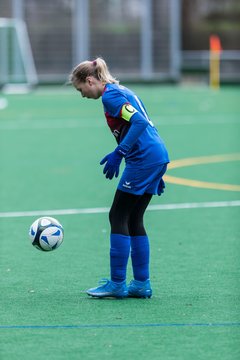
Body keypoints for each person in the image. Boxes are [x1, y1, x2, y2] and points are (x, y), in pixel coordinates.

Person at [69, 57, 169, 299]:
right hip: (154, 156)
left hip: (143, 159)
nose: (82, 95)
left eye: (81, 89)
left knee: (118, 215)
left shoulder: (110, 96)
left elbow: (139, 121)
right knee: (134, 218)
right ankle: (141, 284)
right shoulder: (121, 90)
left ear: (90, 80)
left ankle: (116, 283)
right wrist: (155, 168)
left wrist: (119, 152)